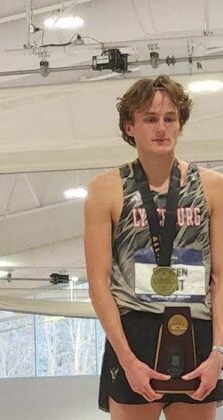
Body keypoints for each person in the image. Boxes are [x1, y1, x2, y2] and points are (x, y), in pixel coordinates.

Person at [85, 75, 223, 419]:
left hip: (198, 329)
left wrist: (218, 354)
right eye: (149, 119)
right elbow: (98, 284)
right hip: (134, 332)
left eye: (169, 118)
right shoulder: (106, 189)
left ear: (180, 124)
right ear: (130, 126)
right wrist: (127, 359)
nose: (161, 128)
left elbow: (221, 278)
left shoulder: (212, 186)